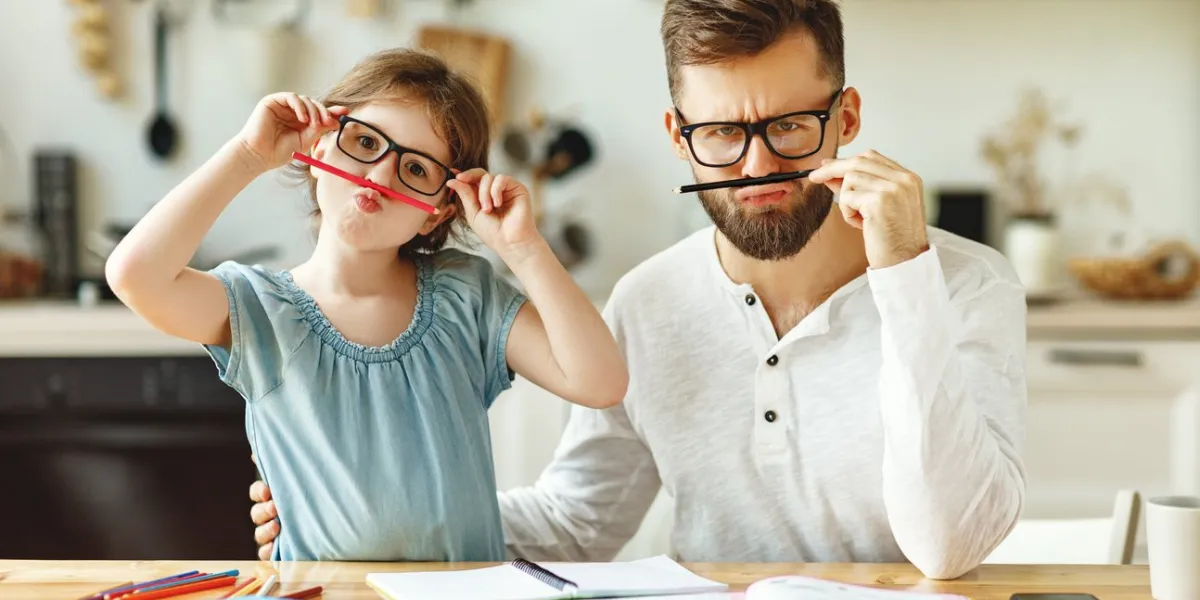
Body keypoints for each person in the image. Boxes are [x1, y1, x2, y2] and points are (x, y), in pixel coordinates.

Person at [251, 0, 1027, 579]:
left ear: (845, 117)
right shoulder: (651, 300)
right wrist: (366, 513)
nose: (755, 167)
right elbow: (577, 520)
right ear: (676, 136)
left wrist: (903, 274)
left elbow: (948, 547)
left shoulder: (964, 286)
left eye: (788, 126)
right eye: (719, 134)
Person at [106, 48, 628, 562]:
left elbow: (600, 383)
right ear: (320, 148)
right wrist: (247, 156)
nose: (379, 176)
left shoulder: (468, 295)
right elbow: (134, 276)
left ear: (435, 214)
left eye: (417, 170)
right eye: (364, 142)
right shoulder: (259, 309)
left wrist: (524, 248)